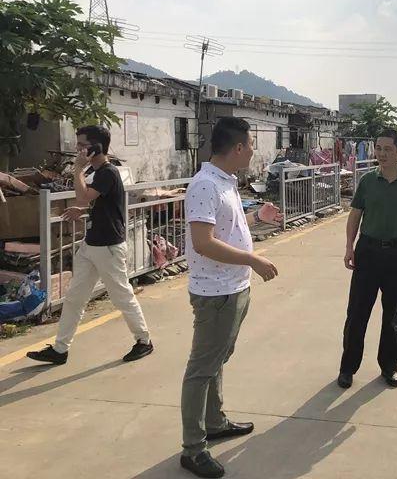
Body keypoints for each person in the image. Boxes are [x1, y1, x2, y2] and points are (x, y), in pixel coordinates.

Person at [179, 117, 283, 479]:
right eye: (251, 144)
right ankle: (193, 448)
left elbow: (226, 229)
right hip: (215, 293)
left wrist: (256, 217)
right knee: (201, 369)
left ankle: (214, 421)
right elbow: (203, 242)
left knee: (217, 359)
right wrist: (253, 259)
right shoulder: (205, 185)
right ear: (238, 148)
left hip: (233, 287)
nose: (253, 150)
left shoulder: (226, 182)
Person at [27, 125, 153, 365]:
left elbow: (83, 196)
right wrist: (83, 210)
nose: (78, 149)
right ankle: (60, 349)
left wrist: (78, 170)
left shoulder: (107, 173)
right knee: (74, 298)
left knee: (122, 296)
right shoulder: (96, 173)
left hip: (108, 247)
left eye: (82, 145)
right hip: (91, 244)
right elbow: (95, 203)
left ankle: (144, 340)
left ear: (97, 147)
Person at [338, 127, 397, 390]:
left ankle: (389, 366)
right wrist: (349, 246)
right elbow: (355, 215)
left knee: (392, 313)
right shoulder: (367, 181)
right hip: (368, 251)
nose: (381, 153)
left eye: (388, 149)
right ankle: (347, 367)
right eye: (378, 148)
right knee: (357, 312)